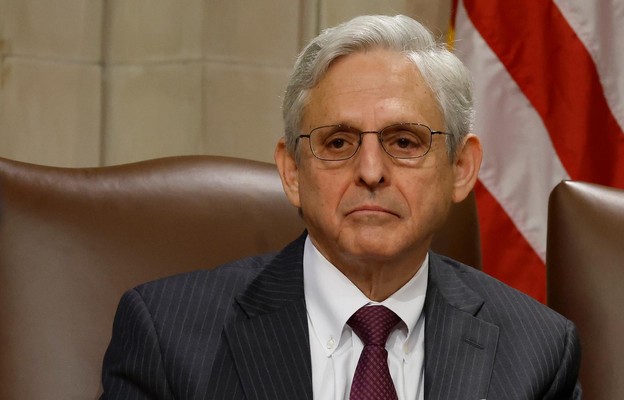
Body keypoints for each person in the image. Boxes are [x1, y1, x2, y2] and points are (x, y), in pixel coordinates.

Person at [101, 15, 580, 400]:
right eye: (337, 142)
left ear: (460, 167)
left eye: (404, 141)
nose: (371, 171)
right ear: (293, 171)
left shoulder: (536, 352)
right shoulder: (168, 336)